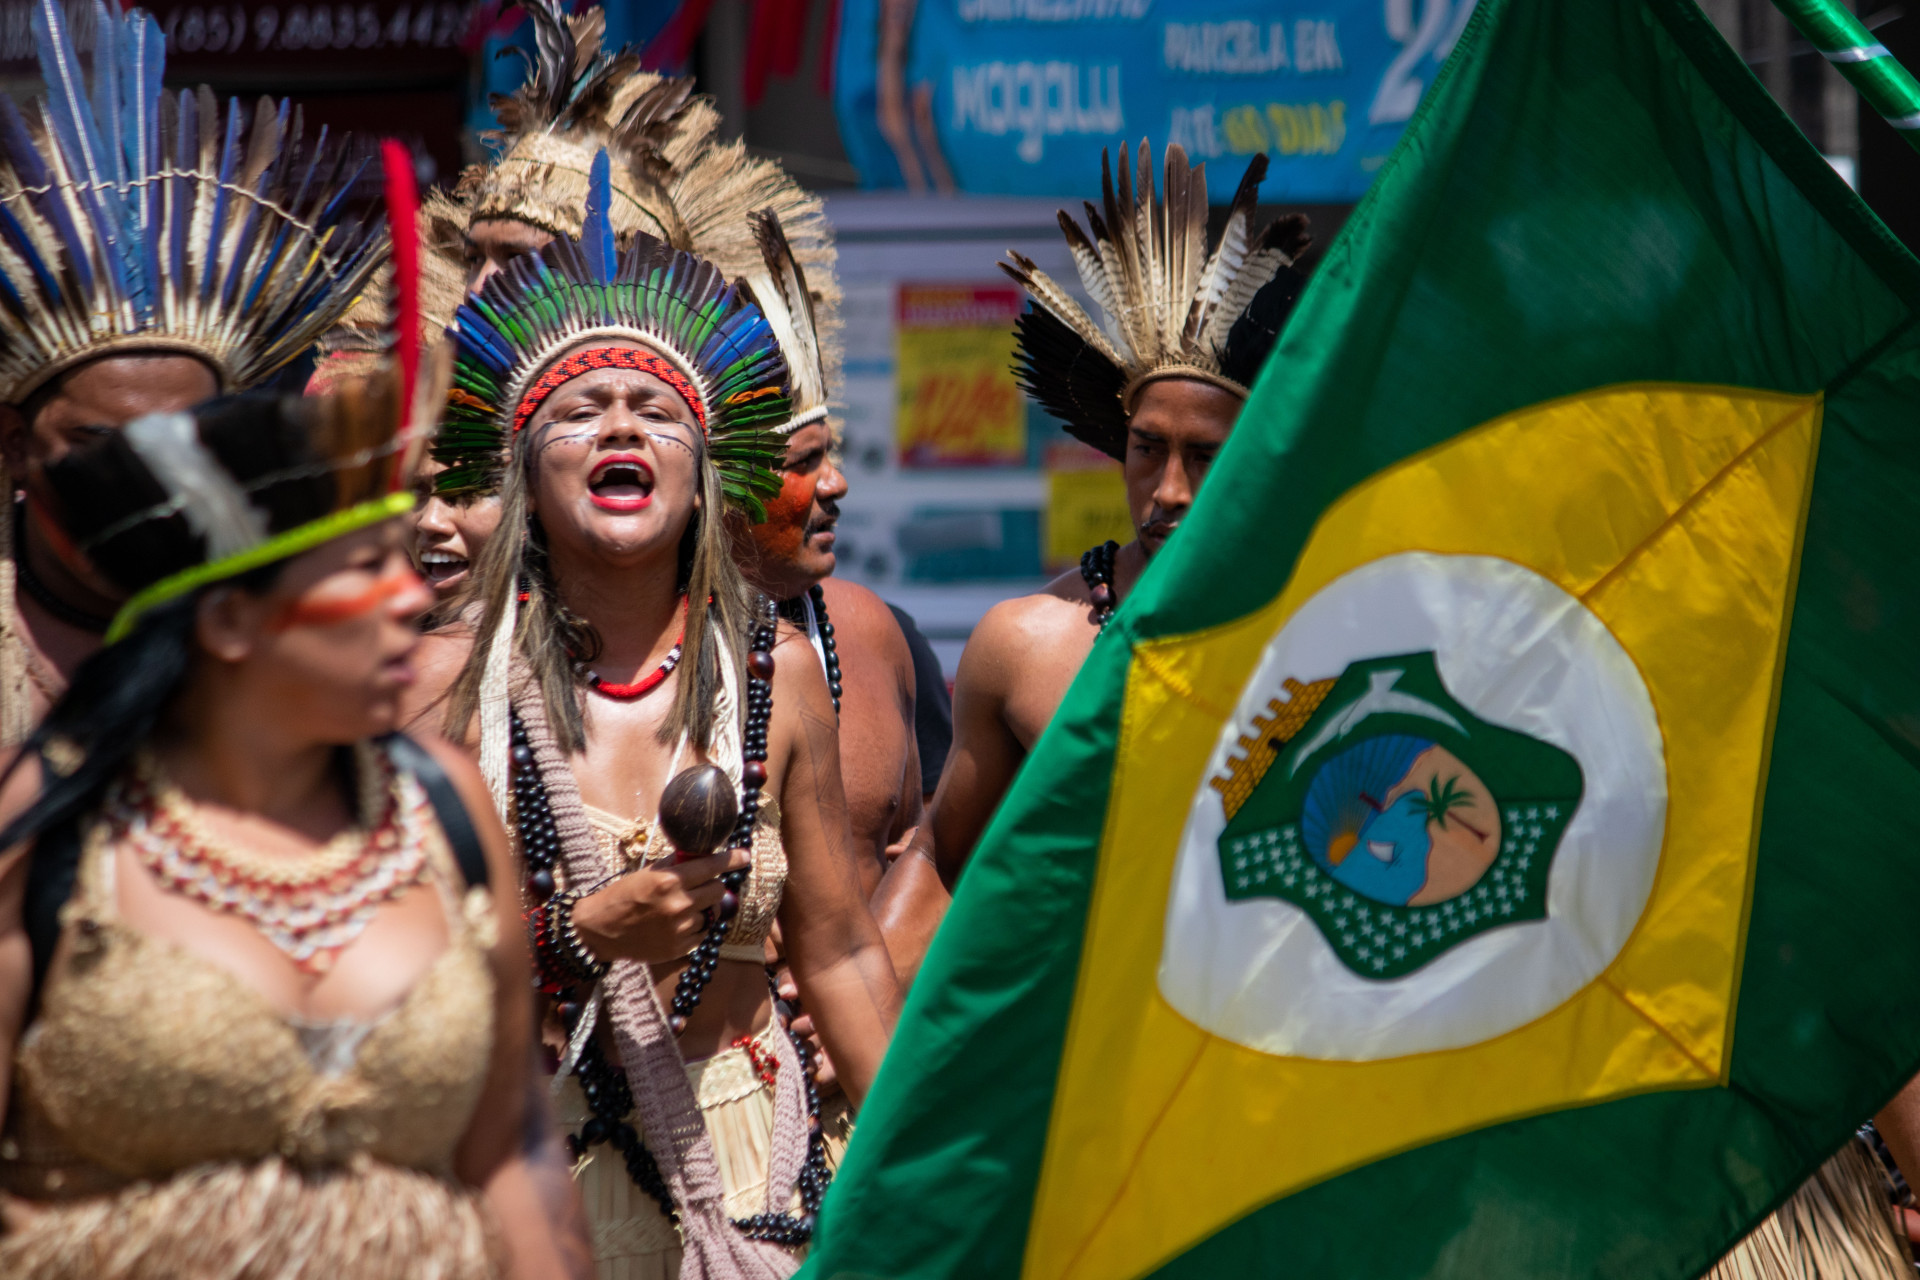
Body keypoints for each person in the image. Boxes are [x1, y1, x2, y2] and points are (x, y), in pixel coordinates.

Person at [409, 152, 898, 1277]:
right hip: (530, 1171)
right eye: (581, 410)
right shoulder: (445, 691)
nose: (621, 427)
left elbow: (836, 948)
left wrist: (930, 1167)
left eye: (654, 411)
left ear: (704, 471)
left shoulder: (775, 677)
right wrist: (573, 940)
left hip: (750, 1165)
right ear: (526, 472)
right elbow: (382, 967)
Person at [0, 358, 572, 1276]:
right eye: (364, 567)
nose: (412, 596)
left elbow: (509, 1153)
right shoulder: (46, 823)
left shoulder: (444, 807)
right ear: (230, 621)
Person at [874, 143, 1312, 981]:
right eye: (1147, 450)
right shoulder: (1026, 645)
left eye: (1206, 457)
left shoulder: (1317, 629)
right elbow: (939, 860)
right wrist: (850, 1036)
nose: (1171, 490)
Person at [0, 0, 384, 747]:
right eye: (101, 442)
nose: (147, 477)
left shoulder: (293, 647)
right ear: (14, 444)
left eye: (185, 441)